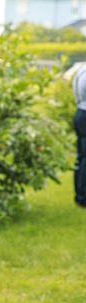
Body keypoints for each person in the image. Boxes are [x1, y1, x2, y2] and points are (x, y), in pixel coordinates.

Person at [72, 63, 86, 207]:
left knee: (82, 157)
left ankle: (80, 195)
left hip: (80, 113)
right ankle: (83, 197)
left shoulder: (82, 69)